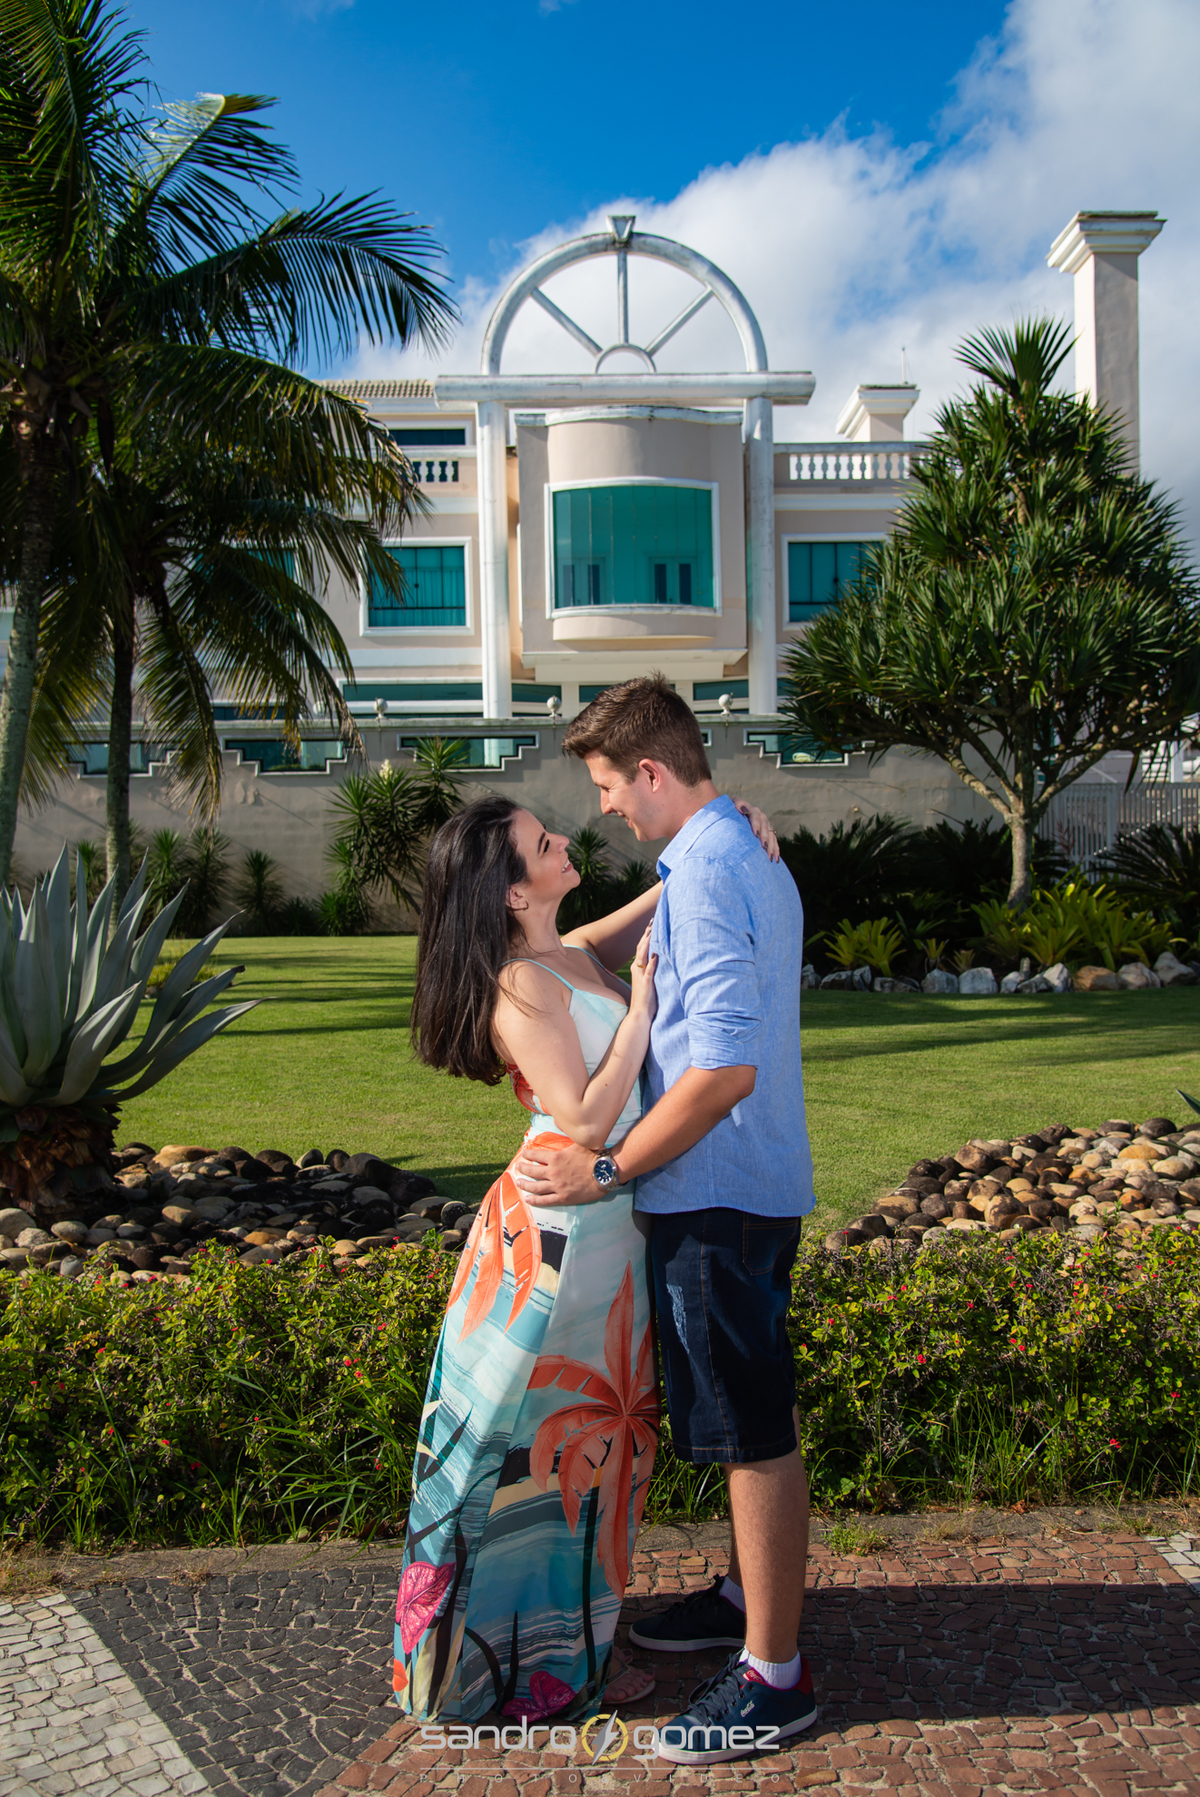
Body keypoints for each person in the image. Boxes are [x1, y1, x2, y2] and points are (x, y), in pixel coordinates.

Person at [392, 787, 777, 1727]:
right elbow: (587, 1119)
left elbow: (671, 890)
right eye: (541, 842)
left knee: (597, 1452)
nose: (564, 837)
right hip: (554, 1246)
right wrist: (640, 1010)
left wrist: (728, 826)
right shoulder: (519, 984)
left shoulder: (568, 951)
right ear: (512, 891)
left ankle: (568, 1648)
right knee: (530, 1450)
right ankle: (507, 1667)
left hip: (605, 1237)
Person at [512, 675, 817, 1766]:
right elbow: (598, 959)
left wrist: (605, 1168)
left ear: (649, 771)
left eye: (606, 785)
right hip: (739, 1188)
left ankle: (775, 1679)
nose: (601, 808)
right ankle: (745, 1599)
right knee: (746, 1415)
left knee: (751, 1432)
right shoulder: (720, 855)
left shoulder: (714, 868)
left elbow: (723, 1071)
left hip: (718, 1193)